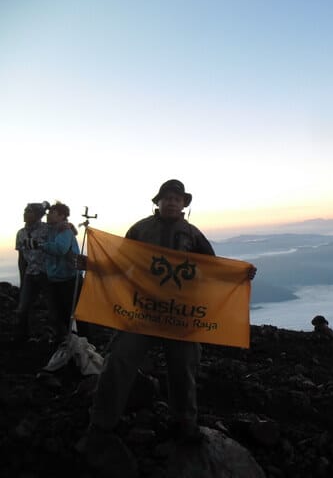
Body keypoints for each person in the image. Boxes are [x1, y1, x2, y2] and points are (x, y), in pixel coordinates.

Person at [84, 179, 257, 474]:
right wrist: (92, 265)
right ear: (158, 202)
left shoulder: (193, 234)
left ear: (184, 204)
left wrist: (239, 275)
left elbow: (212, 267)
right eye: (167, 198)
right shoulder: (139, 229)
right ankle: (102, 423)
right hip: (142, 311)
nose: (172, 202)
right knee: (120, 361)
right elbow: (119, 262)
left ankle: (185, 424)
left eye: (177, 198)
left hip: (181, 316)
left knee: (184, 367)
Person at [39, 201, 83, 345]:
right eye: (49, 213)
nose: (48, 215)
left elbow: (60, 249)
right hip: (56, 278)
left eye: (53, 213)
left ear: (62, 216)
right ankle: (68, 342)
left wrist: (39, 245)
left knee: (74, 313)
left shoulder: (64, 230)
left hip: (68, 278)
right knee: (60, 313)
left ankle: (83, 344)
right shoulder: (50, 229)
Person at [14, 202, 49, 341]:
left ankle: (61, 337)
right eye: (25, 210)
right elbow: (21, 257)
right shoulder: (20, 233)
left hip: (46, 274)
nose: (25, 213)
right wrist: (23, 277)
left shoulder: (48, 229)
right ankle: (23, 337)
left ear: (38, 215)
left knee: (54, 309)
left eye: (28, 211)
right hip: (30, 274)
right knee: (23, 308)